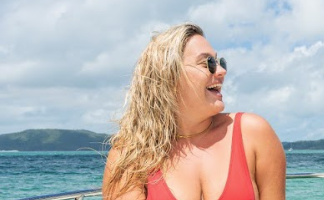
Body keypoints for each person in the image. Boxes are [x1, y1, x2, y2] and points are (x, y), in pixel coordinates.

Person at [102, 23, 286, 200]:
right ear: (169, 76)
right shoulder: (129, 155)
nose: (221, 71)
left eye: (220, 62)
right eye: (208, 63)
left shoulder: (253, 133)